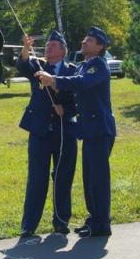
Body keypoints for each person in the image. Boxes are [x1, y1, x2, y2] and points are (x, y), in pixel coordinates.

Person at [36, 26, 116, 237]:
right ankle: (94, 219)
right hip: (89, 131)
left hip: (100, 129)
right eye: (84, 39)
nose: (83, 42)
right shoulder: (84, 66)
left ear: (99, 47)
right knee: (89, 178)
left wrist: (54, 80)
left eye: (89, 40)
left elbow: (81, 83)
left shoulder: (98, 65)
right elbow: (75, 88)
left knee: (98, 179)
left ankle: (102, 223)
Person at [16, 31, 77, 237]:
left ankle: (61, 221)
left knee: (63, 177)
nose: (48, 48)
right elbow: (22, 65)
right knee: (36, 179)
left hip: (64, 132)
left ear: (63, 51)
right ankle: (29, 225)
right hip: (40, 132)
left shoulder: (72, 70)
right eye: (47, 45)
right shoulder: (38, 66)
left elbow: (79, 99)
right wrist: (25, 48)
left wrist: (65, 109)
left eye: (53, 45)